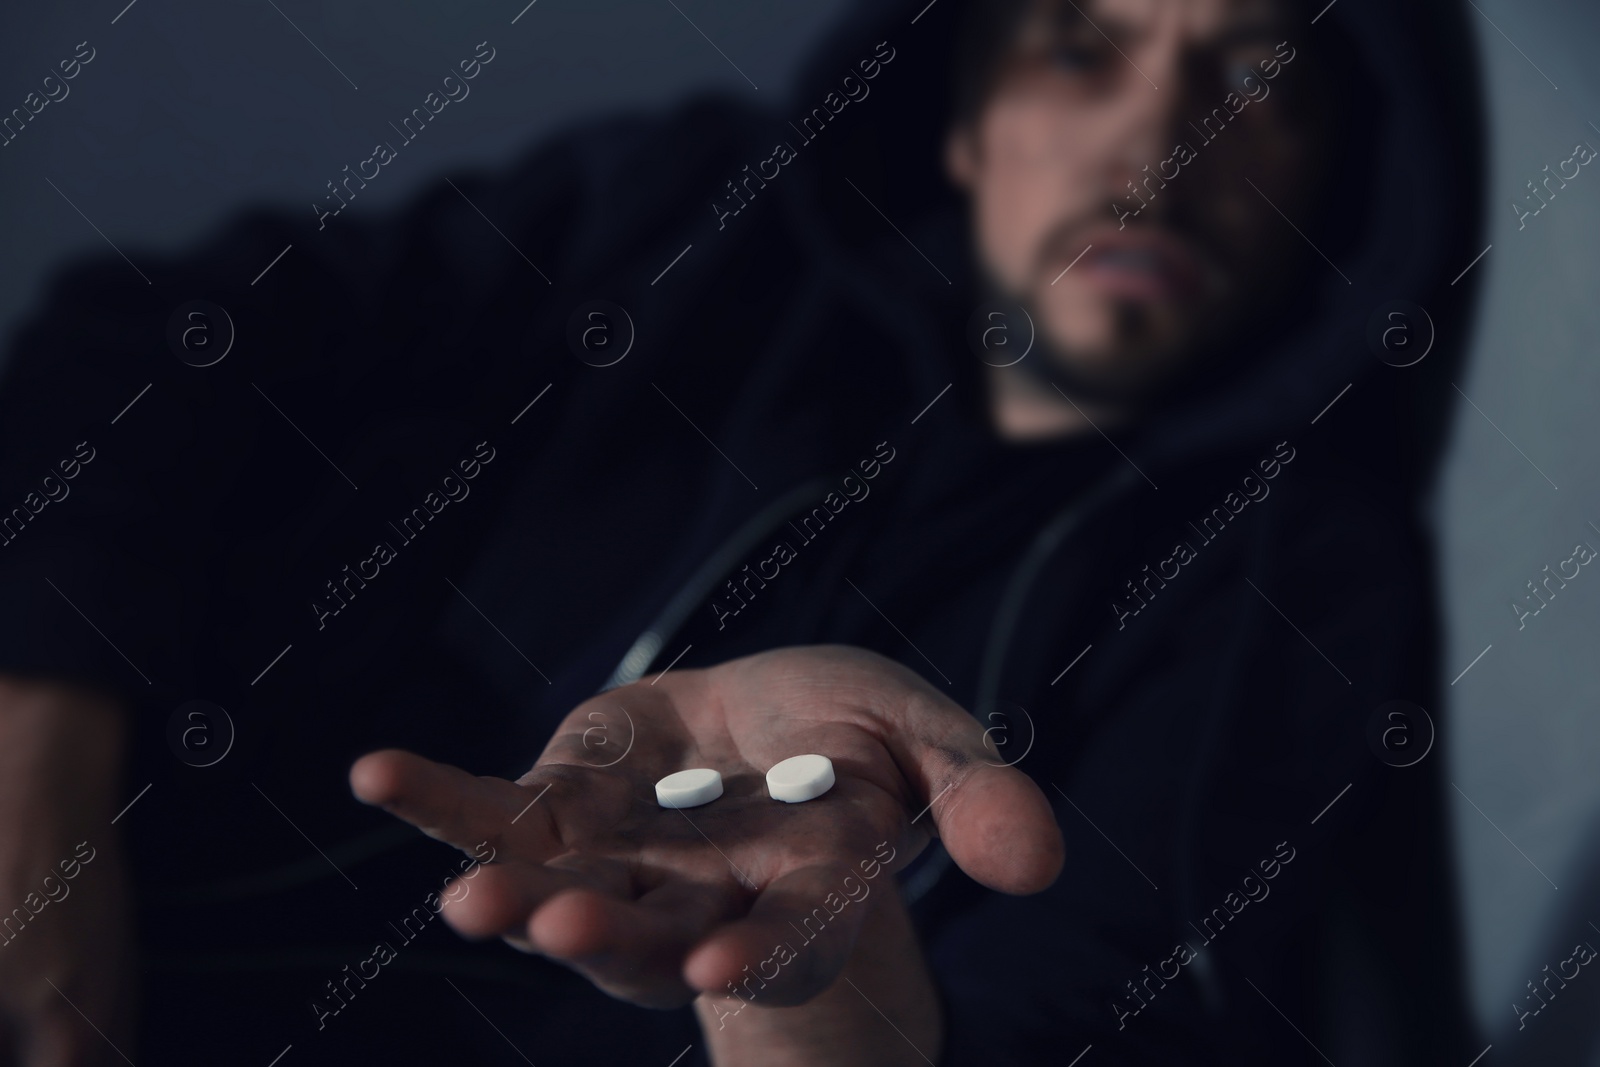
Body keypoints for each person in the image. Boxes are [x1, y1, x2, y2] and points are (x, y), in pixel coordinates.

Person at [0, 0, 1485, 1063]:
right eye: (1082, 48)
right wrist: (40, 772)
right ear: (964, 127)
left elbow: (1104, 1006)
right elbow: (149, 348)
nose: (1159, 144)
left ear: (1327, 175)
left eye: (1254, 78)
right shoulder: (698, 219)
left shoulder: (1288, 566)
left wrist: (817, 1003)